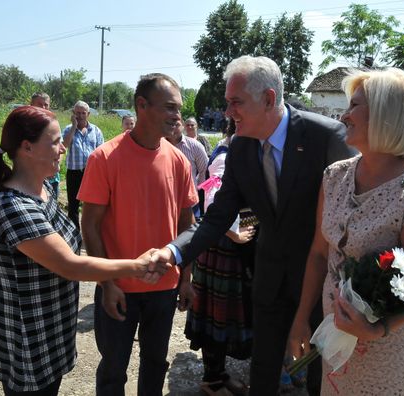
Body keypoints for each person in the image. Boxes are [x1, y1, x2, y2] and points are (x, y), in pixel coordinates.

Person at [153, 55, 355, 396]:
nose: (228, 112)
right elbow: (218, 217)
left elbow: (350, 214)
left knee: (322, 371)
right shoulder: (242, 147)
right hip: (270, 279)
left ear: (269, 100)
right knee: (263, 366)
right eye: (228, 102)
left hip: (322, 281)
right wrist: (174, 252)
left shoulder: (327, 137)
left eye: (236, 102)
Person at [0, 105, 165, 396]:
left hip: (49, 328)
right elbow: (71, 265)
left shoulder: (44, 191)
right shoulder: (12, 207)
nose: (62, 149)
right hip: (27, 339)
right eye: (55, 142)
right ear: (27, 147)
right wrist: (137, 266)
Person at [287, 68, 404, 395]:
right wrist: (301, 318)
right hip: (334, 339)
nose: (344, 115)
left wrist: (378, 329)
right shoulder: (334, 177)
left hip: (390, 352)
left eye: (354, 106)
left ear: (385, 115)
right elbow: (320, 253)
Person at [78, 73, 198, 395]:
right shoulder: (104, 158)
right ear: (141, 106)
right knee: (114, 368)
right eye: (170, 108)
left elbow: (187, 226)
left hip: (164, 286)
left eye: (179, 109)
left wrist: (186, 278)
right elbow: (89, 225)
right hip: (118, 287)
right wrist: (107, 283)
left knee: (155, 364)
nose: (177, 116)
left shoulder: (179, 162)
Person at [184, 118, 257, 395]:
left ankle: (219, 375)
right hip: (222, 249)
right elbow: (214, 203)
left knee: (224, 317)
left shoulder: (237, 153)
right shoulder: (226, 157)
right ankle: (212, 381)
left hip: (232, 248)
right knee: (217, 316)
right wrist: (235, 235)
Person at [62, 100, 104, 228]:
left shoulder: (96, 130)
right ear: (73, 113)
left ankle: (90, 233)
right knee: (73, 206)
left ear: (88, 114)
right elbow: (64, 146)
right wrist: (74, 127)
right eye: (77, 113)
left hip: (90, 173)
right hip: (73, 172)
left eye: (83, 113)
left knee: (91, 205)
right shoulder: (68, 130)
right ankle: (75, 236)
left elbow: (101, 152)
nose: (80, 116)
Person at [166, 120, 208, 220]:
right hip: (165, 202)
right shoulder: (158, 145)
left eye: (177, 125)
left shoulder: (195, 146)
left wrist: (196, 188)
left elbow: (204, 170)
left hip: (190, 203)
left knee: (189, 234)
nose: (174, 128)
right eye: (170, 124)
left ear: (182, 126)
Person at [30, 92, 60, 196]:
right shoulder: (26, 124)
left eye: (46, 105)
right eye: (39, 104)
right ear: (31, 105)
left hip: (52, 179)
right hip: (32, 178)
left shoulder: (53, 124)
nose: (43, 107)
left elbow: (60, 148)